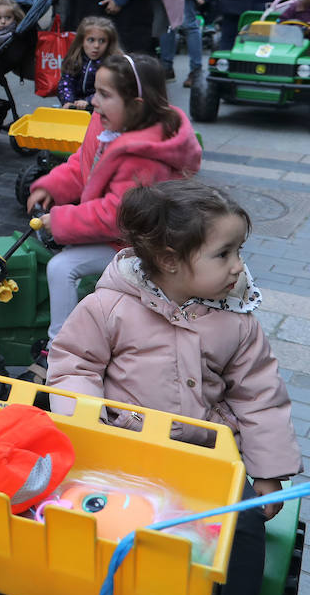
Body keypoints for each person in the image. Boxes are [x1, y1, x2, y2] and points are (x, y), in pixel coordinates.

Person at [49, 180, 302, 595]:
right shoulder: (109, 307)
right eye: (224, 254)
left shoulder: (236, 321)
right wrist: (90, 425)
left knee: (243, 520)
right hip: (122, 446)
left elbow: (259, 396)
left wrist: (267, 472)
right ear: (170, 260)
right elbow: (75, 368)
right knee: (68, 508)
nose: (238, 266)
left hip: (202, 454)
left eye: (239, 251)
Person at [22, 53, 202, 376]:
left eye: (104, 95)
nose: (93, 102)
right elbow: (83, 164)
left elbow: (117, 215)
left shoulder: (145, 156)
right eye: (94, 92)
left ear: (136, 104)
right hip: (116, 237)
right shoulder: (106, 125)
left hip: (140, 245)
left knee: (62, 267)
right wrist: (52, 186)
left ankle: (60, 347)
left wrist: (61, 221)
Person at [57, 15, 119, 110]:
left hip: (103, 110)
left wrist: (89, 101)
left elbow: (109, 90)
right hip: (74, 107)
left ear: (110, 43)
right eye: (91, 40)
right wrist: (68, 101)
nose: (96, 45)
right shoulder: (75, 57)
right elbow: (66, 82)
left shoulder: (113, 64)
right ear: (82, 41)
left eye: (102, 41)